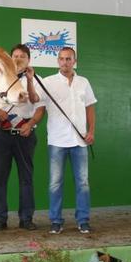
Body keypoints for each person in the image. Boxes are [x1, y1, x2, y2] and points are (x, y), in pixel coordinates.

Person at [34, 46, 97, 234]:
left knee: (83, 182)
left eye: (68, 59)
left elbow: (90, 108)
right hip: (57, 140)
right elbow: (35, 98)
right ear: (57, 61)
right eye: (61, 59)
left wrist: (91, 131)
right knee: (55, 183)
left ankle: (83, 220)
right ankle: (55, 221)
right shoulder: (48, 82)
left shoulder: (84, 82)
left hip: (80, 141)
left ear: (74, 61)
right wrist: (31, 80)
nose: (65, 62)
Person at [0, 44, 42, 232]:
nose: (18, 59)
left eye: (22, 56)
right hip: (1, 133)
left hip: (25, 133)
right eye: (15, 56)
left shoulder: (35, 79)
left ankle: (26, 218)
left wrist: (29, 80)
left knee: (26, 178)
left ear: (28, 60)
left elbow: (36, 102)